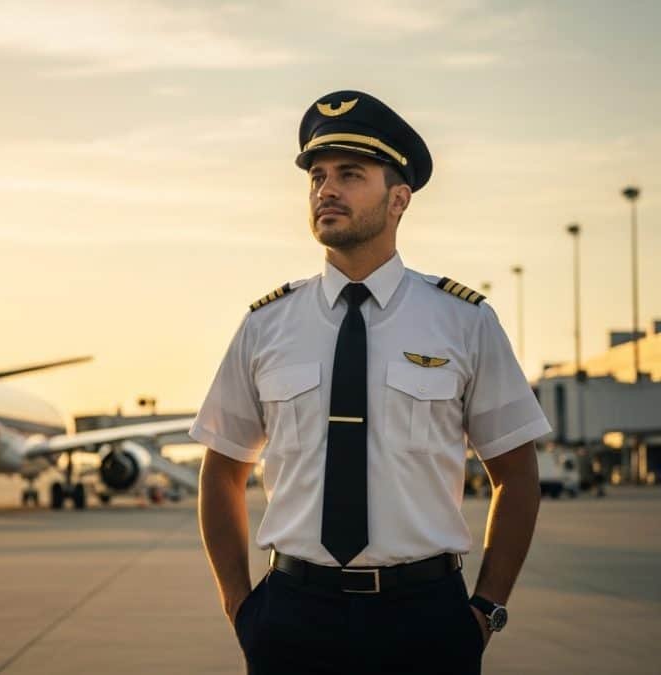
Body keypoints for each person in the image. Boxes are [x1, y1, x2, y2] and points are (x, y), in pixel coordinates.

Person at [191, 90, 550, 674]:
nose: (325, 190)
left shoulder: (463, 321)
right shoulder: (266, 325)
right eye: (317, 177)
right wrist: (240, 607)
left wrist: (485, 609)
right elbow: (222, 471)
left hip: (425, 619)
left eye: (350, 174)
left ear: (398, 198)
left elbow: (516, 474)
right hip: (291, 617)